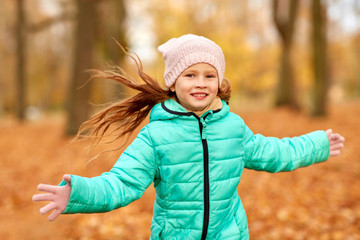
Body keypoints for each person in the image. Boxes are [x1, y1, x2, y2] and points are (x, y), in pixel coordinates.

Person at [33, 34, 345, 240]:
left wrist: (317, 145)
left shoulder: (233, 128)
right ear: (173, 82)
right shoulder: (156, 136)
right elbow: (122, 183)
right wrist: (77, 194)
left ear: (219, 81)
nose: (201, 83)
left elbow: (276, 153)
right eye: (190, 75)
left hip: (230, 233)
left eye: (209, 75)